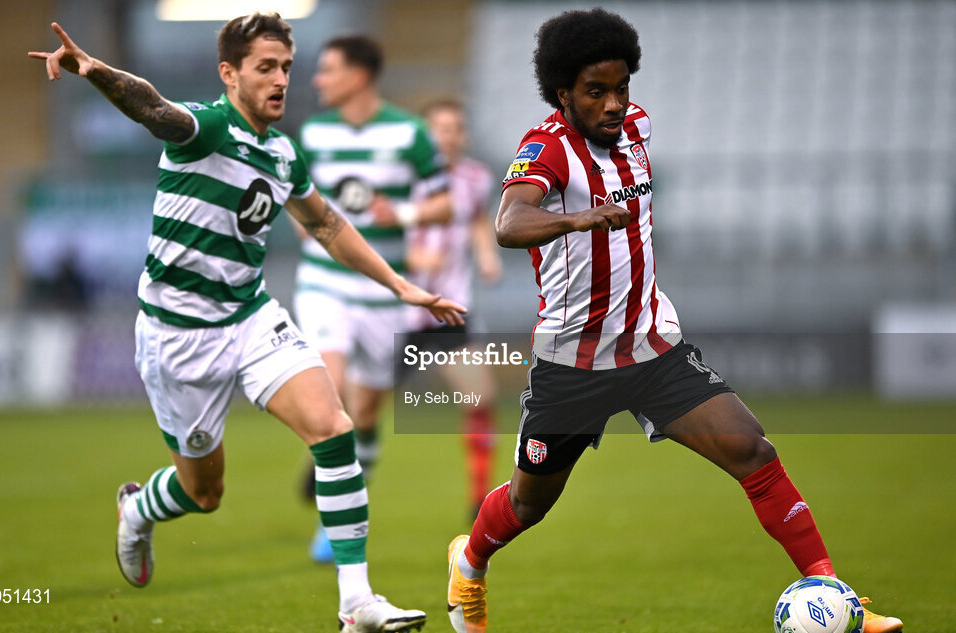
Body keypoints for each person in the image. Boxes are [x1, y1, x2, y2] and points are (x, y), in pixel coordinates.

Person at [443, 9, 902, 633]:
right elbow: (507, 223)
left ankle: (834, 592)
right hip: (574, 362)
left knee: (753, 450)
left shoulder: (637, 128)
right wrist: (574, 219)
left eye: (621, 87)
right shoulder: (545, 149)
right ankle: (469, 563)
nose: (612, 104)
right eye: (595, 91)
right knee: (528, 503)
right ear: (563, 94)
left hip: (654, 347)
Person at [29, 13, 465, 633]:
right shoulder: (205, 128)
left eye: (286, 66)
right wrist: (95, 71)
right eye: (266, 67)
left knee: (333, 427)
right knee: (204, 493)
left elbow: (327, 225)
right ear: (229, 74)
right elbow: (153, 108)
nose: (281, 79)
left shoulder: (283, 152)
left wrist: (399, 284)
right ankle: (138, 508)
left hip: (252, 317)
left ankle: (356, 603)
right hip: (177, 336)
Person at [294, 35, 452, 561]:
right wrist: (303, 224)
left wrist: (402, 214)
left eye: (328, 69)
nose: (317, 79)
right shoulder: (313, 133)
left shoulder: (409, 133)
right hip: (325, 281)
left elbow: (447, 202)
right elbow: (298, 194)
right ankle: (332, 521)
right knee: (328, 393)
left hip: (387, 292)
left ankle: (346, 486)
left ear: (359, 75)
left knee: (364, 414)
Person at [403, 99, 503, 521]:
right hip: (399, 308)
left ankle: (478, 498)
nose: (448, 135)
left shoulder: (476, 178)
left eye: (455, 128)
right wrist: (412, 261)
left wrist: (486, 253)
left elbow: (478, 219)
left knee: (480, 396)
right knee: (359, 407)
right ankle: (328, 480)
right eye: (438, 128)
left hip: (449, 310)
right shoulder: (401, 176)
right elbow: (374, 231)